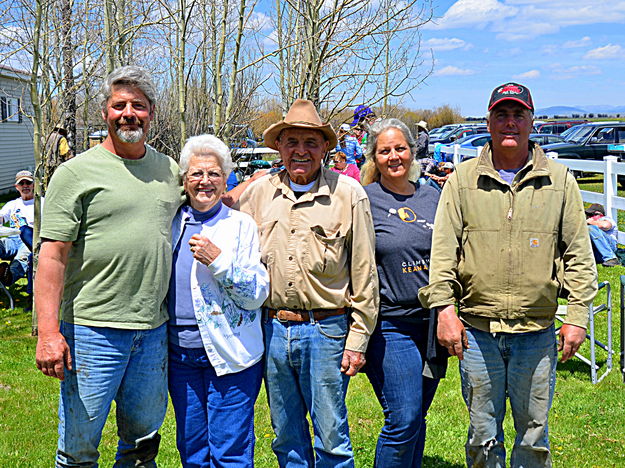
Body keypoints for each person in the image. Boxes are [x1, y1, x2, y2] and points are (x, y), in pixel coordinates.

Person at [418, 82, 598, 467]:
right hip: (478, 334)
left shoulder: (560, 181)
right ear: (488, 121)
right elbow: (443, 252)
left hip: (536, 335)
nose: (510, 123)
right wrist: (445, 310)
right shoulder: (462, 180)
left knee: (534, 435)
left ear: (532, 121)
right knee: (482, 436)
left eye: (519, 114)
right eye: (502, 114)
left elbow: (581, 257)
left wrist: (578, 317)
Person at [35, 65, 181, 467]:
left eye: (138, 105)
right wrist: (48, 332)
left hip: (152, 331)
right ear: (104, 113)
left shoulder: (169, 171)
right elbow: (51, 255)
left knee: (142, 448)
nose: (128, 113)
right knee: (80, 449)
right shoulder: (75, 173)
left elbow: (211, 197)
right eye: (119, 105)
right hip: (91, 331)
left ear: (152, 112)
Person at [238, 99, 379, 467]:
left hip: (327, 329)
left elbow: (365, 273)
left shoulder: (348, 194)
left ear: (325, 148)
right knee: (285, 436)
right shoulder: (258, 193)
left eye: (311, 143)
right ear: (279, 146)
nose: (301, 151)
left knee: (331, 435)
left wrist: (358, 340)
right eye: (292, 143)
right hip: (270, 329)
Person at [168, 134, 270, 467]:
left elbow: (255, 295)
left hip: (231, 356)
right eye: (196, 174)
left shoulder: (240, 225)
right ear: (185, 179)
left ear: (226, 178)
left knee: (231, 452)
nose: (205, 182)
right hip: (180, 356)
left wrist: (218, 261)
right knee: (192, 451)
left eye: (214, 174)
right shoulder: (170, 223)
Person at [361, 118, 448, 467]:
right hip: (390, 323)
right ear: (374, 157)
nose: (394, 156)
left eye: (400, 148)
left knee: (417, 418)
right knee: (403, 418)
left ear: (412, 152)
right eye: (385, 151)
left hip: (433, 324)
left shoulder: (432, 196)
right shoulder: (365, 200)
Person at [0, 170, 37, 286]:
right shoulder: (12, 204)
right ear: (17, 187)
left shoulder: (40, 203)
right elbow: (1, 217)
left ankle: (7, 276)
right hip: (12, 239)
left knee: (22, 258)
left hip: (29, 241)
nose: (25, 186)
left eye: (28, 183)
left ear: (34, 185)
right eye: (22, 183)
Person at [43, 126, 73, 190]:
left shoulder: (45, 137)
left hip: (46, 165)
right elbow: (64, 153)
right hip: (57, 165)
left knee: (48, 185)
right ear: (61, 131)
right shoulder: (61, 138)